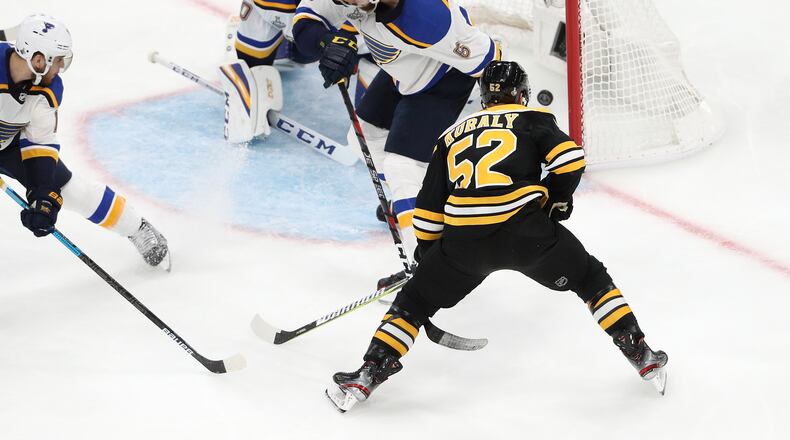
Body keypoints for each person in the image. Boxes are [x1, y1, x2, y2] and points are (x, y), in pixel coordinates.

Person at [325, 61, 668, 412]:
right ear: (522, 94)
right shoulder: (533, 118)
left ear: (484, 98)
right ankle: (638, 351)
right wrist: (556, 198)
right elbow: (570, 160)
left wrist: (429, 258)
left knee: (412, 305)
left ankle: (369, 372)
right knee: (592, 281)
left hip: (464, 244)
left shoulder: (450, 136)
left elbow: (428, 212)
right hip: (528, 233)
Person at [291, 0, 502, 287]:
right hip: (400, 68)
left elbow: (490, 58)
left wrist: (508, 125)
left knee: (402, 165)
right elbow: (306, 18)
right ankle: (416, 204)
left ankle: (428, 265)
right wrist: (326, 42)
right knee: (363, 136)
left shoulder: (429, 20)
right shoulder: (353, 2)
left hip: (444, 76)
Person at [0, 14, 170, 268]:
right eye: (57, 61)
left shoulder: (47, 90)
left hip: (9, 144)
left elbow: (40, 144)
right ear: (38, 60)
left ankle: (135, 227)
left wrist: (43, 195)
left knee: (73, 192)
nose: (59, 68)